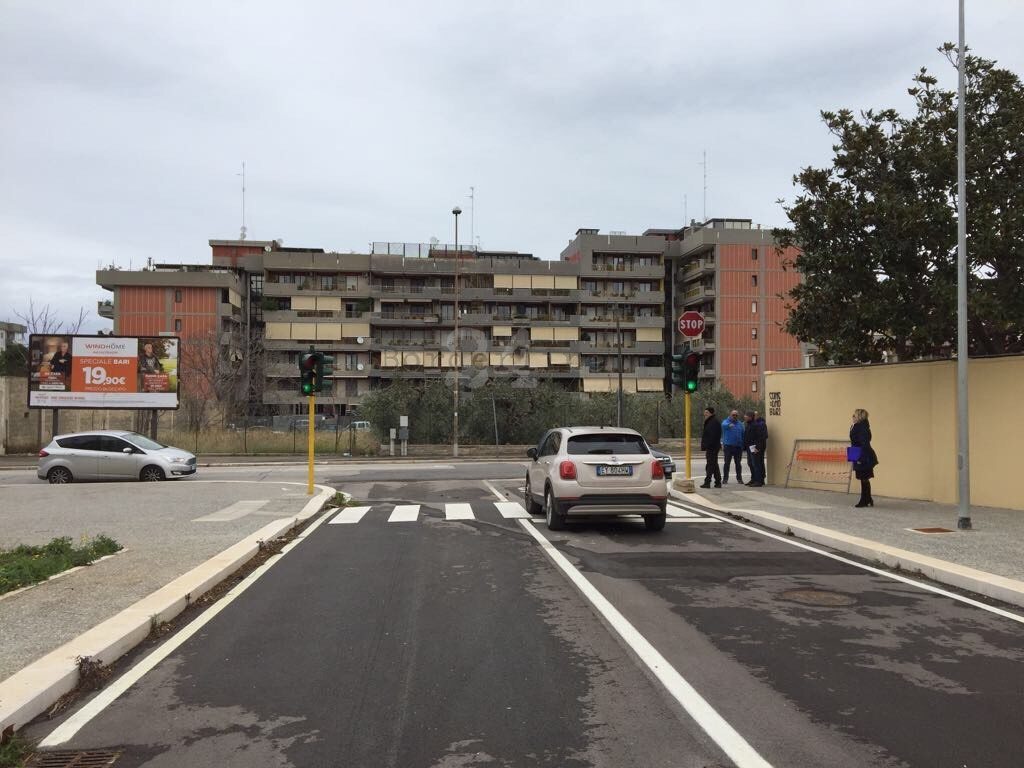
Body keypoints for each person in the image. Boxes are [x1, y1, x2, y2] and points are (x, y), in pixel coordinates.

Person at [850, 408, 879, 507]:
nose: (852, 417)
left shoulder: (862, 427)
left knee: (864, 477)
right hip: (856, 451)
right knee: (863, 478)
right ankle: (868, 498)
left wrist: (860, 458)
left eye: (854, 415)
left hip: (862, 454)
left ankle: (864, 500)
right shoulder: (857, 426)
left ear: (859, 417)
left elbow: (864, 444)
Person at [700, 406, 722, 489]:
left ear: (711, 413)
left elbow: (712, 436)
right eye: (705, 412)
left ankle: (707, 482)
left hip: (712, 447)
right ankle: (718, 482)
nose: (705, 414)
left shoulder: (713, 422)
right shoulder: (710, 421)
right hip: (712, 446)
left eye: (707, 412)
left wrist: (707, 445)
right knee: (714, 464)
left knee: (710, 465)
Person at [721, 409, 745, 485]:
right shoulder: (726, 422)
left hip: (738, 447)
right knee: (727, 463)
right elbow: (723, 425)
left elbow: (743, 434)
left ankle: (739, 479)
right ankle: (725, 479)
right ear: (730, 415)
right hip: (728, 446)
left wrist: (743, 444)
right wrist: (729, 425)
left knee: (738, 463)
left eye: (736, 415)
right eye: (733, 415)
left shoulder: (740, 424)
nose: (735, 416)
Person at [743, 411, 767, 487]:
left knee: (756, 464)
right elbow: (747, 436)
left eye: (746, 416)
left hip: (754, 447)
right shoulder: (748, 425)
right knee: (750, 463)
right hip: (749, 447)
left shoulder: (756, 425)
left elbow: (760, 438)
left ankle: (759, 481)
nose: (745, 418)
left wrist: (757, 447)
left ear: (750, 417)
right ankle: (753, 479)